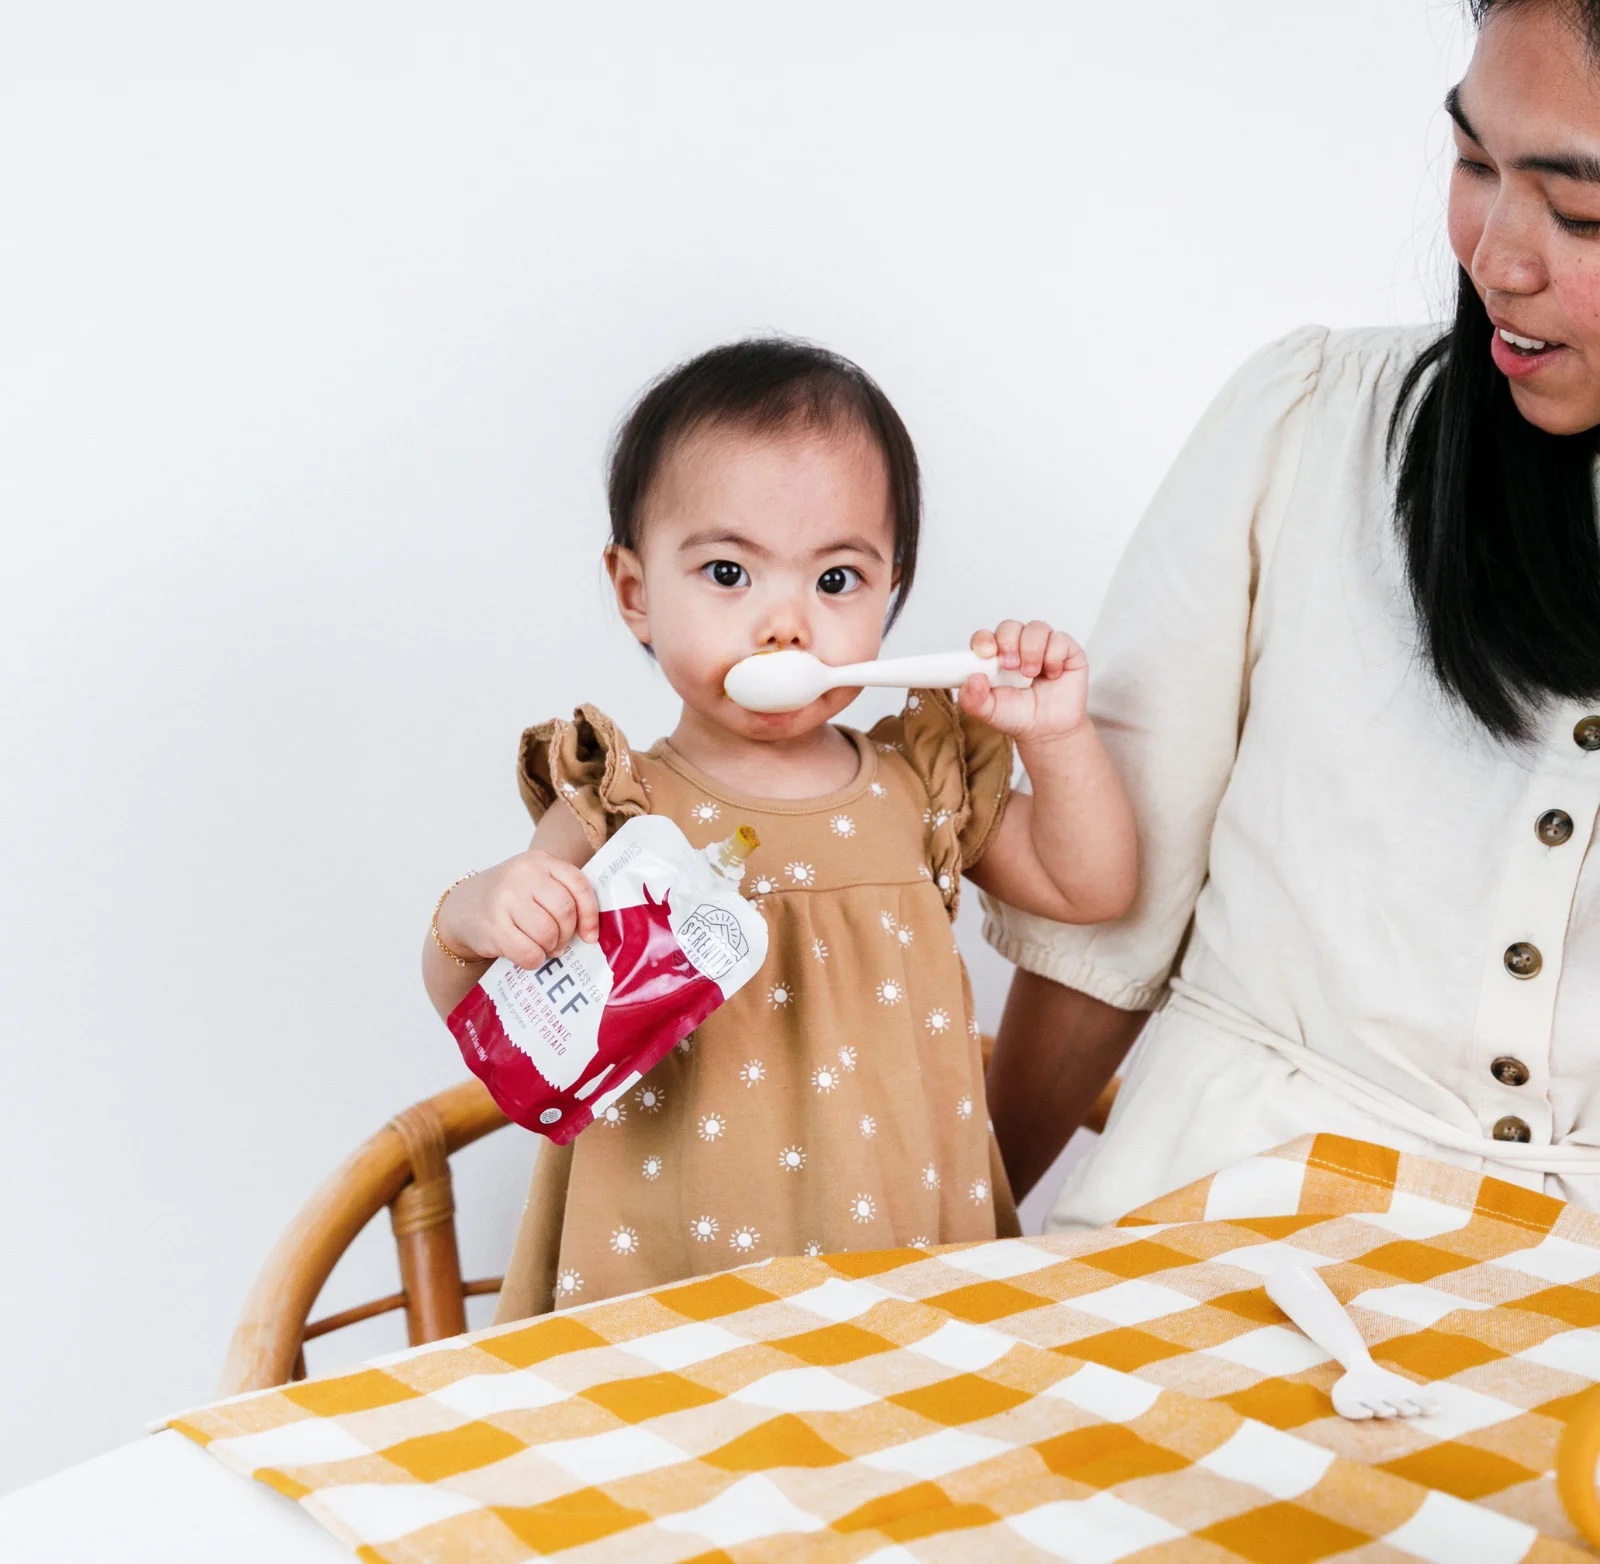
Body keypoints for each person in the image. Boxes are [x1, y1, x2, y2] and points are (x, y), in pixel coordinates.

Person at [984, 0, 1600, 1230]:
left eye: (1581, 211)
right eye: (1474, 164)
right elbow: (1111, 929)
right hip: (1227, 1216)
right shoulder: (1314, 425)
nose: (1495, 259)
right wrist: (955, 1232)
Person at [421, 339, 1136, 1313]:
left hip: (897, 1259)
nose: (785, 624)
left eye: (835, 581)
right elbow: (481, 1002)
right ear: (635, 592)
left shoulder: (916, 791)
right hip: (666, 1275)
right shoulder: (620, 813)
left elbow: (1089, 888)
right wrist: (480, 911)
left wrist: (1058, 740)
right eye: (728, 572)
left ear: (890, 590)